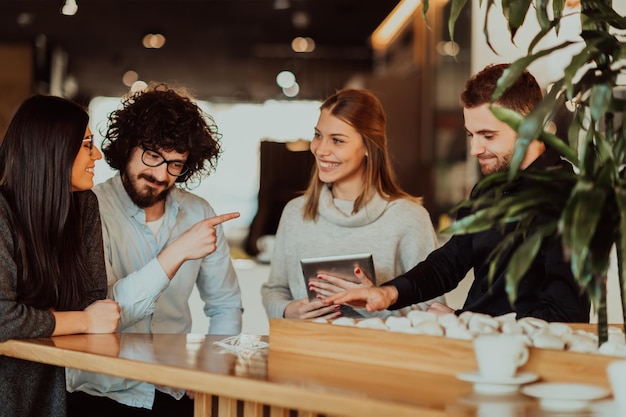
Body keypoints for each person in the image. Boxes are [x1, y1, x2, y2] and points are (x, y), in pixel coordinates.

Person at [323, 64, 591, 323]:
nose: (475, 149)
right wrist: (388, 293)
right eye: (470, 135)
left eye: (488, 135)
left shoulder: (569, 199)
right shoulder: (489, 187)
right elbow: (450, 261)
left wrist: (463, 320)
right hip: (475, 343)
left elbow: (565, 316)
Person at [66, 84, 243, 416]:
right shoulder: (90, 210)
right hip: (103, 392)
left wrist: (213, 364)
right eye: (152, 156)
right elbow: (98, 314)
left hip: (175, 391)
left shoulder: (200, 212)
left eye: (175, 164)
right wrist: (176, 253)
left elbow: (225, 303)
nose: (161, 174)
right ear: (126, 146)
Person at [261, 88, 444, 320]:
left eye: (337, 140)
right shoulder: (296, 213)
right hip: (306, 350)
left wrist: (379, 301)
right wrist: (289, 310)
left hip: (375, 354)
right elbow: (274, 289)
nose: (321, 149)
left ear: (369, 146)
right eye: (318, 135)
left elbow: (433, 309)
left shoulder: (408, 218)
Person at [0, 95, 121, 417]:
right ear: (51, 150)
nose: (97, 155)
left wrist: (44, 315)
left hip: (46, 388)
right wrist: (81, 322)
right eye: (86, 144)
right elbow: (2, 317)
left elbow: (91, 297)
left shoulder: (83, 207)